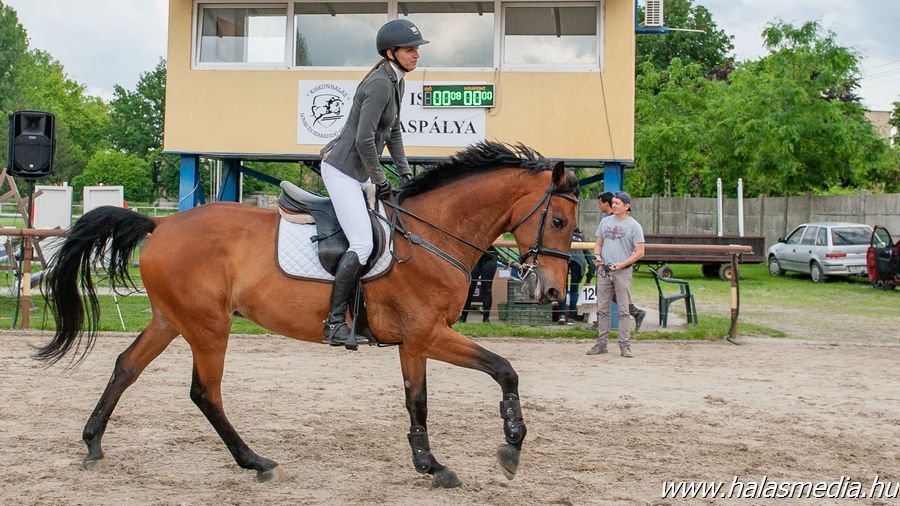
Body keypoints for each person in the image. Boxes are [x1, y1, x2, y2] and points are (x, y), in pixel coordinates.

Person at [318, 19, 428, 347]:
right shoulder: (380, 83)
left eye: (417, 49)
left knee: (384, 236)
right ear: (391, 52)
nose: (416, 55)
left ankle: (363, 318)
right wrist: (380, 180)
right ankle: (334, 322)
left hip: (360, 173)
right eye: (410, 50)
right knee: (364, 244)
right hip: (342, 172)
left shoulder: (397, 81)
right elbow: (366, 140)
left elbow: (392, 130)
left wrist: (405, 172)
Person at [588, 192, 645, 357]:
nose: (613, 205)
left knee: (623, 310)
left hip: (622, 272)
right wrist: (598, 257)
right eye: (613, 202)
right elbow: (598, 244)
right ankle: (601, 344)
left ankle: (624, 345)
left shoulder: (634, 226)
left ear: (626, 206)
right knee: (602, 309)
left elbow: (640, 252)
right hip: (604, 270)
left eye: (617, 203)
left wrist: (622, 264)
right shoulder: (605, 222)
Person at [556, 229, 596, 324]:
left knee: (562, 289)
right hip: (578, 262)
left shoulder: (561, 235)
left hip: (563, 259)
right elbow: (591, 260)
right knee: (574, 290)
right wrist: (589, 277)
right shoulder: (581, 238)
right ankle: (571, 318)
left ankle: (561, 315)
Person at [460, 247, 498, 323]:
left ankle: (486, 318)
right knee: (470, 288)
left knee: (487, 288)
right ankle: (463, 317)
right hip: (475, 257)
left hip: (489, 257)